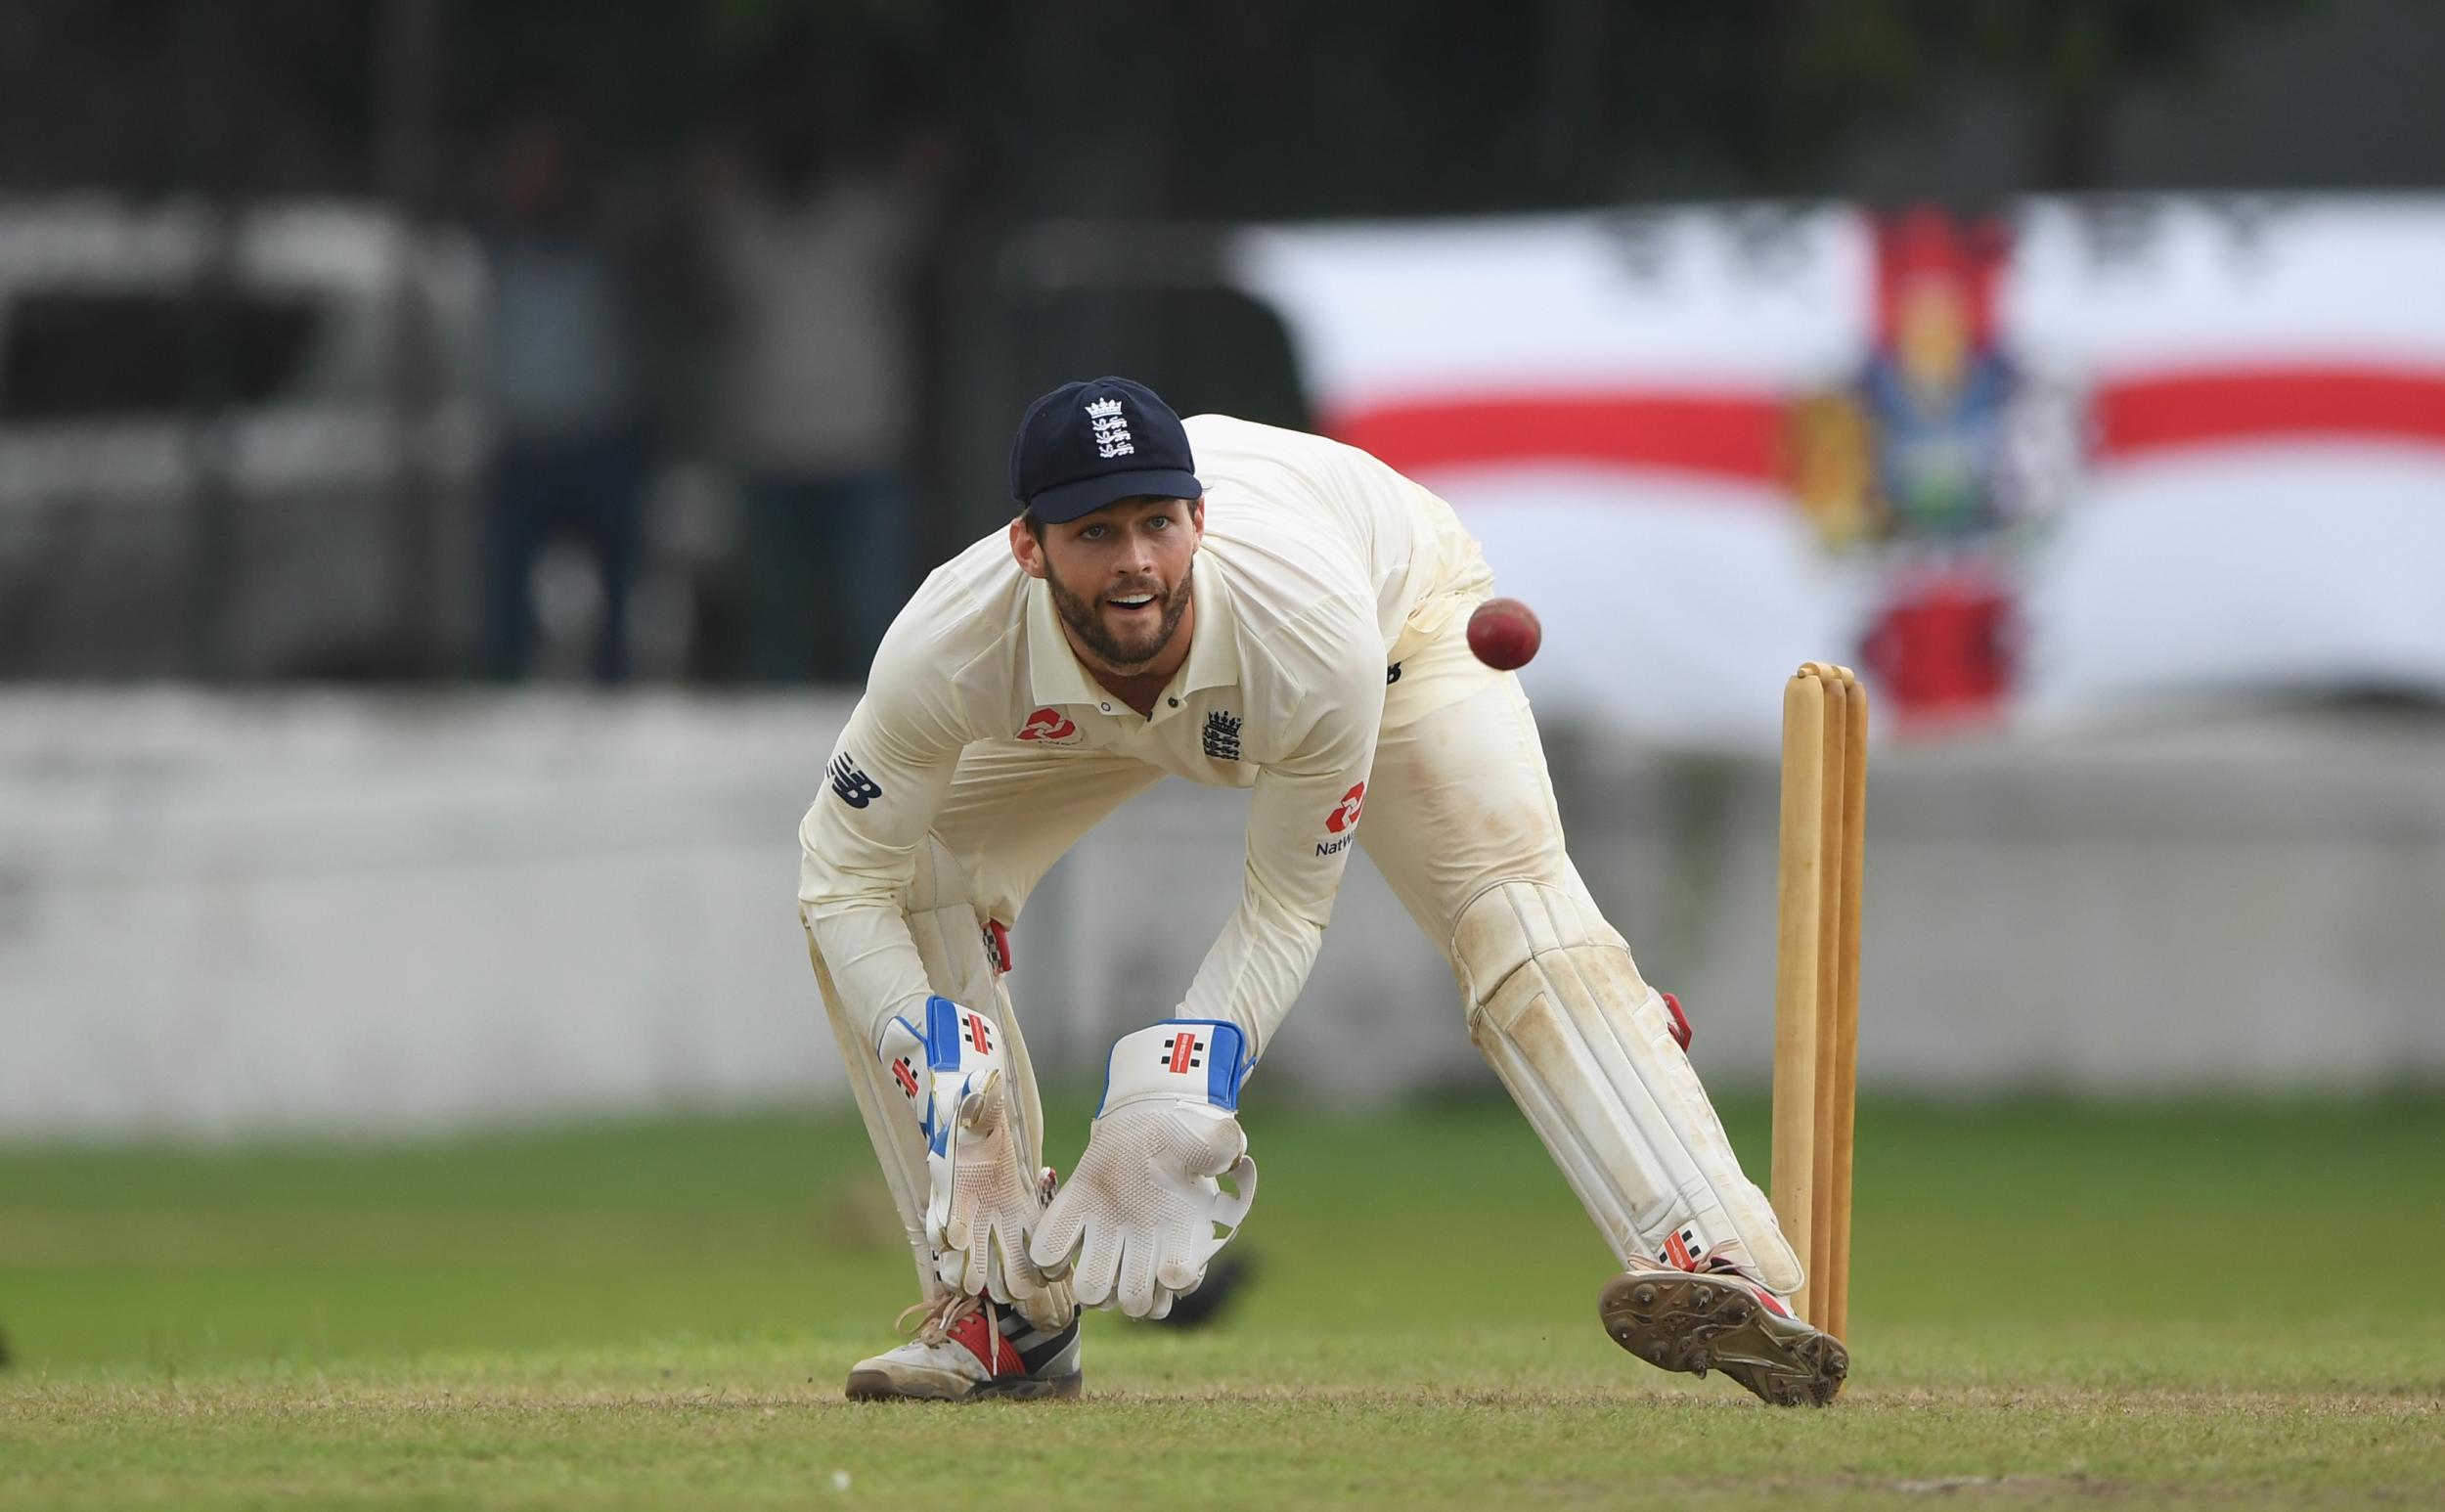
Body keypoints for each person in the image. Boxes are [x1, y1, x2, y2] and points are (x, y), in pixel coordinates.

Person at [797, 378, 1848, 1405]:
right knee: (913, 872)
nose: (1134, 564)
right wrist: (920, 1041)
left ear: (1199, 519)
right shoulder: (948, 642)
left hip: (1395, 637)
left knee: (1509, 914)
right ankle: (1001, 1309)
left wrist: (1183, 1081)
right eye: (1094, 533)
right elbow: (839, 872)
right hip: (1099, 708)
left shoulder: (1309, 625)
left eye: (1158, 524)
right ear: (1028, 547)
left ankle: (1712, 1257)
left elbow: (1287, 900)